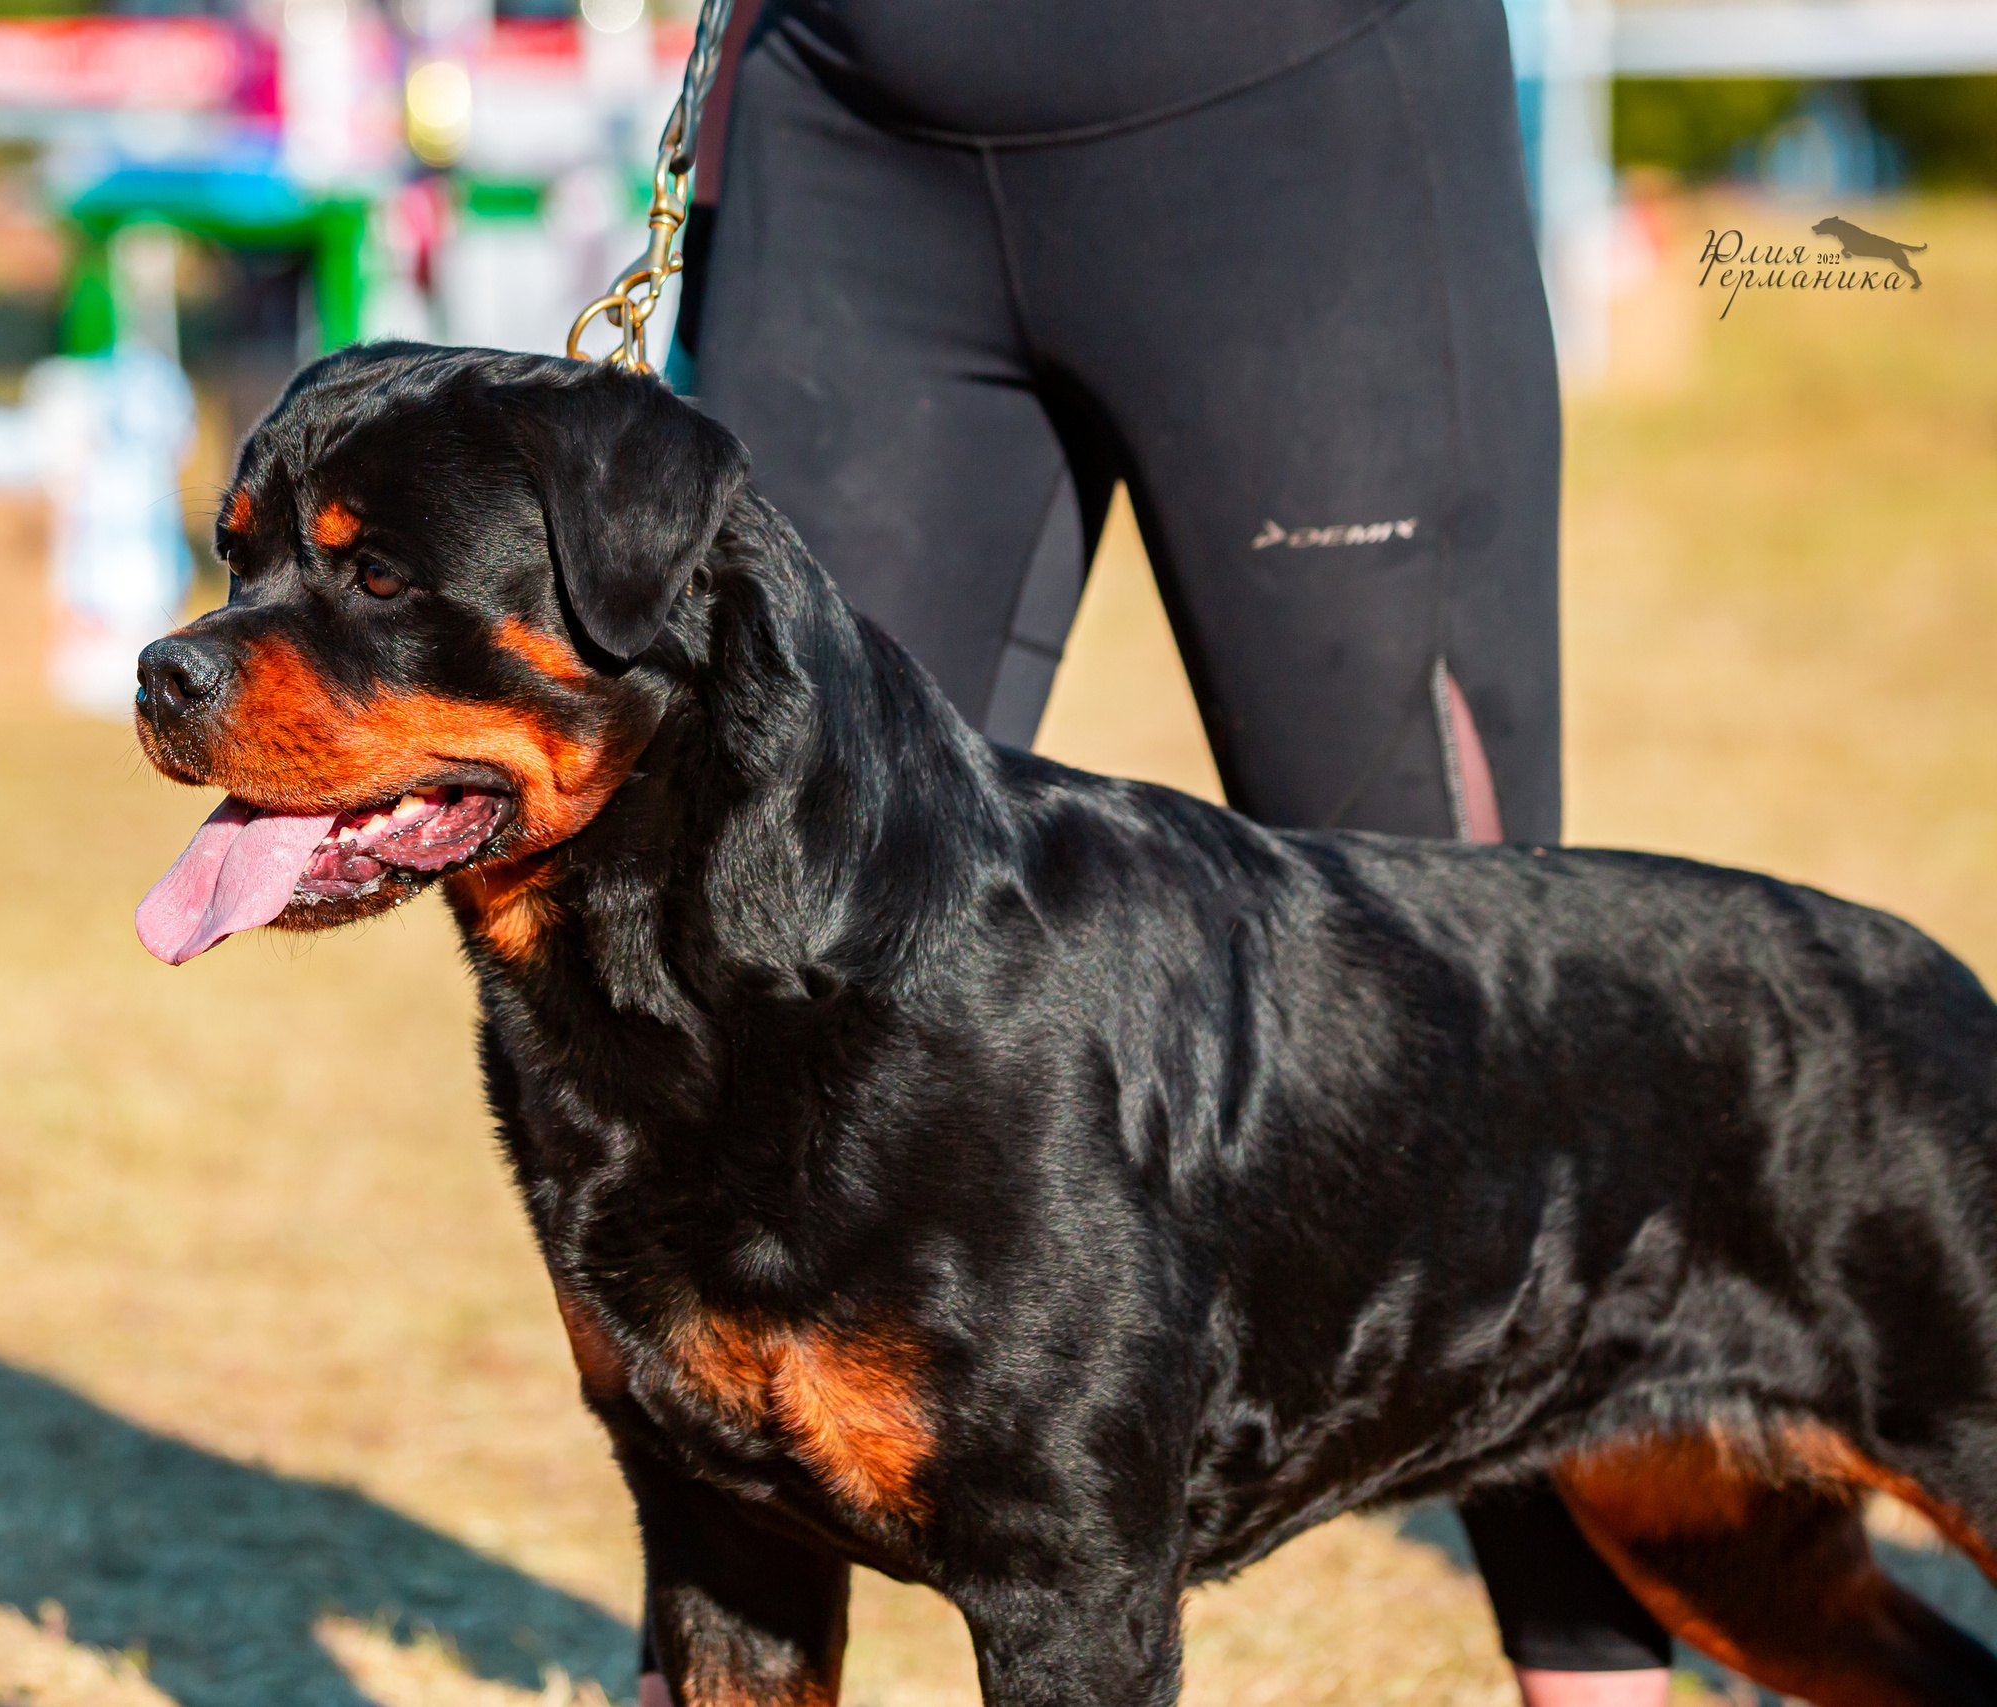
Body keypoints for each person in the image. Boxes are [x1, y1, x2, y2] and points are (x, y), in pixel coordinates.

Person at [651, 0, 1678, 1703]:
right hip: (842, 131)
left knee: (1481, 1062)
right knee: (737, 991)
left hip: (1290, 125)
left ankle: (1592, 1682)